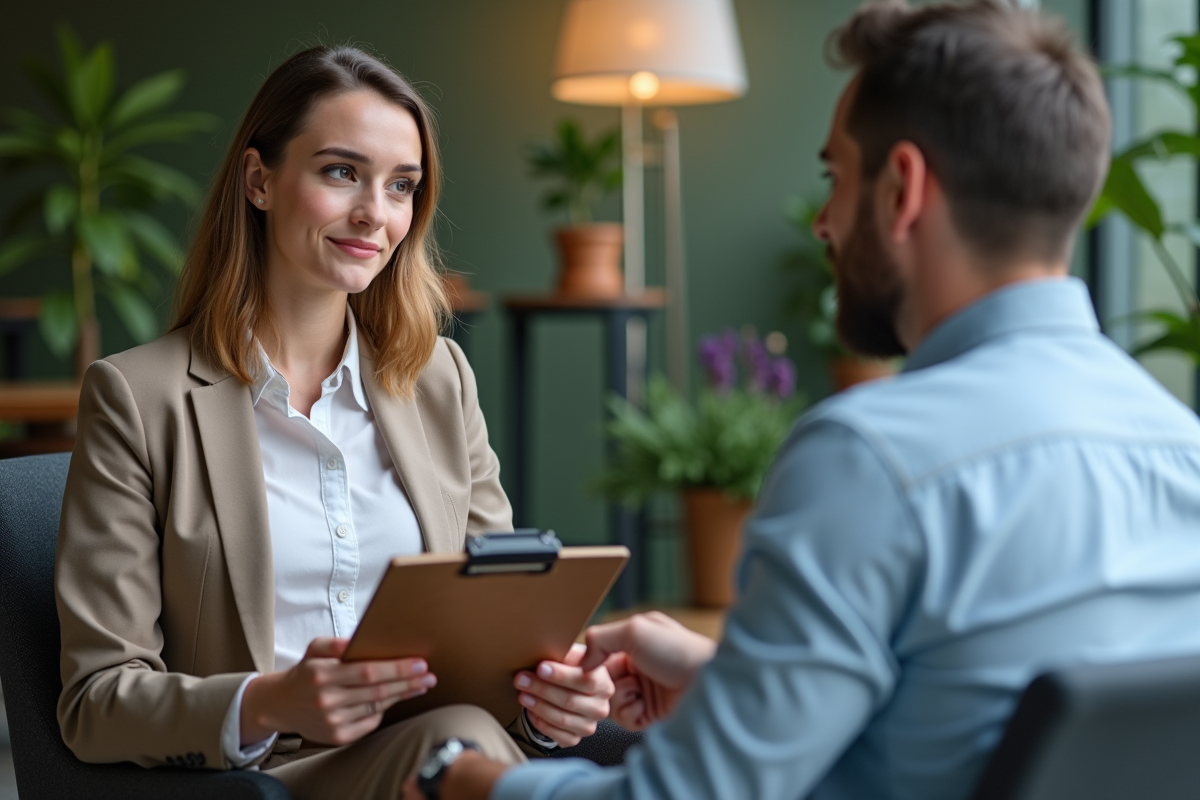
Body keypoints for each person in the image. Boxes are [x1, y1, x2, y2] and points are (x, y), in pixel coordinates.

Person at [409, 2, 1200, 799]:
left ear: (903, 190)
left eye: (836, 177)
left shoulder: (872, 458)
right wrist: (733, 678)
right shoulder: (1183, 446)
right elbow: (979, 715)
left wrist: (463, 780)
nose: (823, 221)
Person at [54, 45, 614, 800]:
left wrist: (547, 709)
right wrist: (269, 700)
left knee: (460, 744)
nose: (374, 215)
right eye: (341, 172)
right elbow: (97, 701)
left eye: (401, 186)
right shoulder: (136, 397)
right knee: (459, 750)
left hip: (442, 757)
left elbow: (496, 640)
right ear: (259, 181)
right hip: (259, 781)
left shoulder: (439, 381)